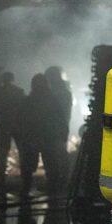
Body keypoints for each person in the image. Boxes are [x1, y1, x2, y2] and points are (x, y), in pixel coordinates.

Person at [18, 74, 54, 196]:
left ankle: (27, 188)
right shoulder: (50, 99)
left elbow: (22, 117)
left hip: (35, 135)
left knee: (30, 164)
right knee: (47, 162)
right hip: (43, 135)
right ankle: (50, 188)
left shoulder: (30, 100)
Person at [43, 66, 72, 196]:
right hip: (56, 129)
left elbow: (59, 113)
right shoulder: (62, 92)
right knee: (56, 156)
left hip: (56, 130)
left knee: (56, 156)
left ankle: (59, 182)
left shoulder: (59, 93)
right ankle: (59, 182)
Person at [0, 71, 25, 185]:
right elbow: (24, 109)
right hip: (18, 124)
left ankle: (1, 177)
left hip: (5, 124)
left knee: (3, 151)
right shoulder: (19, 91)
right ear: (13, 79)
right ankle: (25, 176)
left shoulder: (0, 92)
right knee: (22, 150)